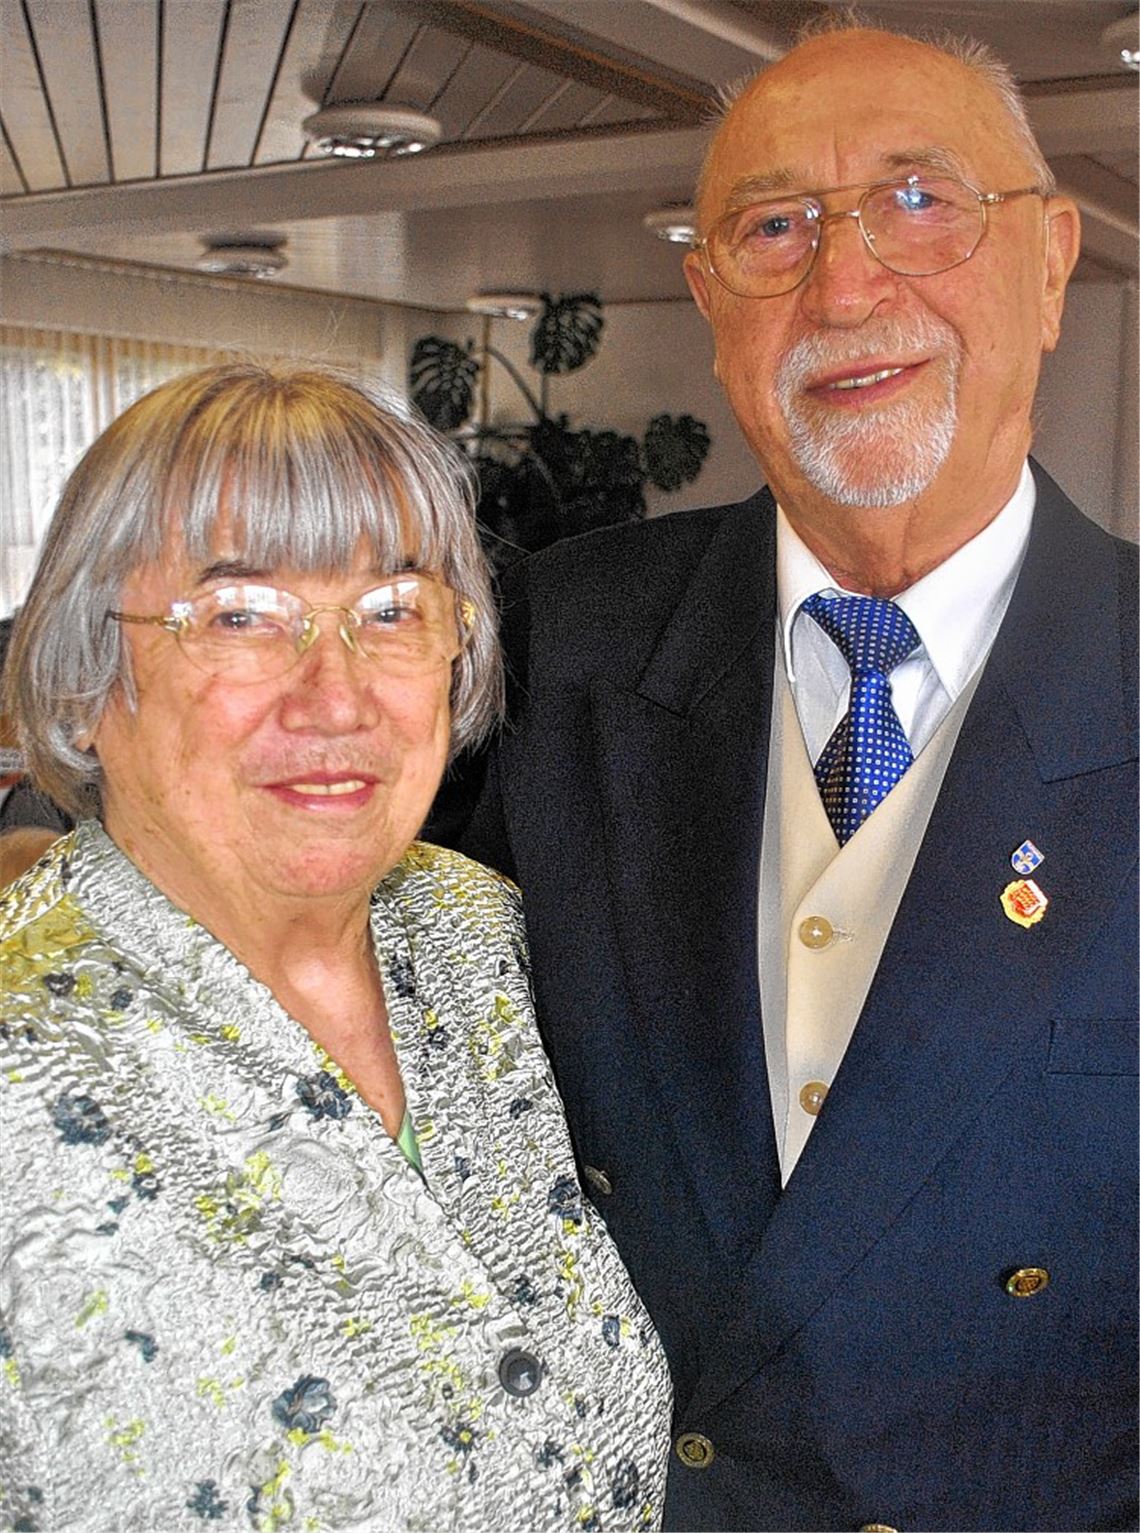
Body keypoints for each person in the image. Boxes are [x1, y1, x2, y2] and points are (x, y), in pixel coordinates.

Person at [450, 20, 1138, 1533]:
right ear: (711, 300)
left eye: (919, 201)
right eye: (776, 227)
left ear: (1051, 265)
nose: (843, 287)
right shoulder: (560, 638)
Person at [0, 363, 671, 1533]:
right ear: (88, 677)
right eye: (240, 617)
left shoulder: (482, 939)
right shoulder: (24, 1061)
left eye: (393, 611)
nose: (336, 698)